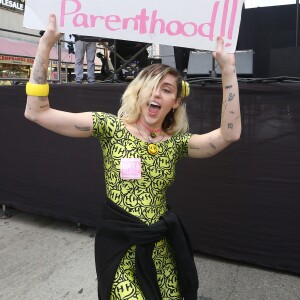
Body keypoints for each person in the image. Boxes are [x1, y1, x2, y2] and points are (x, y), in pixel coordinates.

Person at [25, 14, 241, 300]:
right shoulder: (110, 127)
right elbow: (36, 112)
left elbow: (229, 134)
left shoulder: (176, 143)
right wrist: (45, 46)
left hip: (160, 246)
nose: (156, 94)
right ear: (139, 92)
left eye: (166, 90)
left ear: (175, 102)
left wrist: (228, 70)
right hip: (120, 244)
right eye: (151, 86)